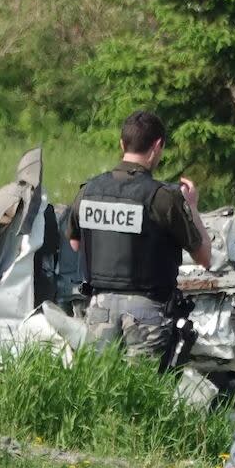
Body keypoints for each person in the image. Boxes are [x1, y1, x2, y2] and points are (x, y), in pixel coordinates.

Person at [67, 110, 212, 359]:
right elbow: (204, 257)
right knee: (144, 393)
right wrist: (193, 208)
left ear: (122, 144)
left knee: (97, 390)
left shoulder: (88, 191)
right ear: (157, 146)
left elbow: (75, 244)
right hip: (147, 313)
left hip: (99, 309)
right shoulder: (162, 198)